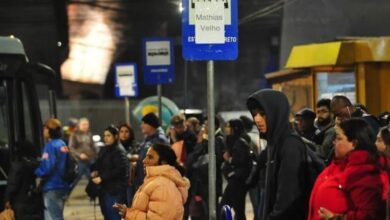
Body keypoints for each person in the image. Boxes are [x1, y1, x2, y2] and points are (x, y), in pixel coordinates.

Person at [308, 118, 388, 220]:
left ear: (354, 143)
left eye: (339, 138)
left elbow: (371, 214)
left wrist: (336, 218)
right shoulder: (339, 165)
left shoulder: (363, 170)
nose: (334, 142)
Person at [247, 89, 308, 220]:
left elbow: (287, 197)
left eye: (263, 114)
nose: (257, 119)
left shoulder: (290, 145)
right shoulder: (274, 143)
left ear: (276, 113)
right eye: (254, 114)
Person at [114, 143, 190, 220]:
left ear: (164, 162)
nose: (144, 161)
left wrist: (129, 214)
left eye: (150, 157)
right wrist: (127, 212)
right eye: (146, 156)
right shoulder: (155, 182)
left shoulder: (163, 186)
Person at [186, 116, 225, 220]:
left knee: (211, 212)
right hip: (201, 182)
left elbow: (216, 160)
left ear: (215, 126)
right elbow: (191, 160)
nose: (205, 127)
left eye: (208, 124)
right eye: (205, 124)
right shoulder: (205, 140)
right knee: (201, 212)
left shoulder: (218, 140)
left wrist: (202, 143)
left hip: (211, 182)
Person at [90, 125, 128, 220]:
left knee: (114, 216)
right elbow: (98, 163)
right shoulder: (104, 149)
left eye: (108, 135)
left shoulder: (119, 151)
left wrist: (102, 177)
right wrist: (94, 170)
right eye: (104, 135)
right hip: (104, 190)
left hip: (115, 191)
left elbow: (120, 170)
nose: (105, 138)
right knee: (107, 215)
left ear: (115, 137)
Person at [35, 118, 70, 220]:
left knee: (54, 217)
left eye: (45, 128)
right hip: (62, 185)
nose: (43, 130)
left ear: (50, 130)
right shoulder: (62, 144)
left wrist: (36, 171)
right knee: (58, 216)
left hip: (52, 186)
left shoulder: (50, 146)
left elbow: (47, 167)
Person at [220, 119, 252, 220]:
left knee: (237, 211)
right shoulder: (232, 140)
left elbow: (243, 159)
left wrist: (229, 159)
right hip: (233, 181)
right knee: (225, 208)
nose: (226, 129)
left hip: (237, 181)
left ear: (235, 128)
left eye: (229, 126)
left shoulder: (240, 142)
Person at [3, 140, 42, 220]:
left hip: (20, 202)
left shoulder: (17, 166)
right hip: (34, 201)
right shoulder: (36, 164)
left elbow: (12, 185)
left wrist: (7, 199)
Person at [133, 113, 169, 192]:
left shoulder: (160, 140)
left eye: (144, 123)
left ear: (151, 124)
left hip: (153, 182)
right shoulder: (148, 139)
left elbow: (162, 163)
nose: (141, 126)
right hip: (145, 180)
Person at [68, 117, 96, 193]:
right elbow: (71, 148)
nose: (85, 126)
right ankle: (66, 193)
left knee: (92, 179)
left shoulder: (89, 135)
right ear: (79, 125)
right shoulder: (74, 135)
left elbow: (93, 147)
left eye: (87, 124)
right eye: (83, 124)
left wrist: (95, 156)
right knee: (75, 179)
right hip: (79, 161)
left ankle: (93, 195)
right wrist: (79, 154)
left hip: (90, 160)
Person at [118, 123, 139, 206]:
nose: (124, 134)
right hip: (118, 182)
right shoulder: (116, 146)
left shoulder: (135, 146)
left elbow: (139, 159)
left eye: (126, 131)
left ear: (130, 133)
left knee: (131, 203)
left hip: (131, 181)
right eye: (121, 131)